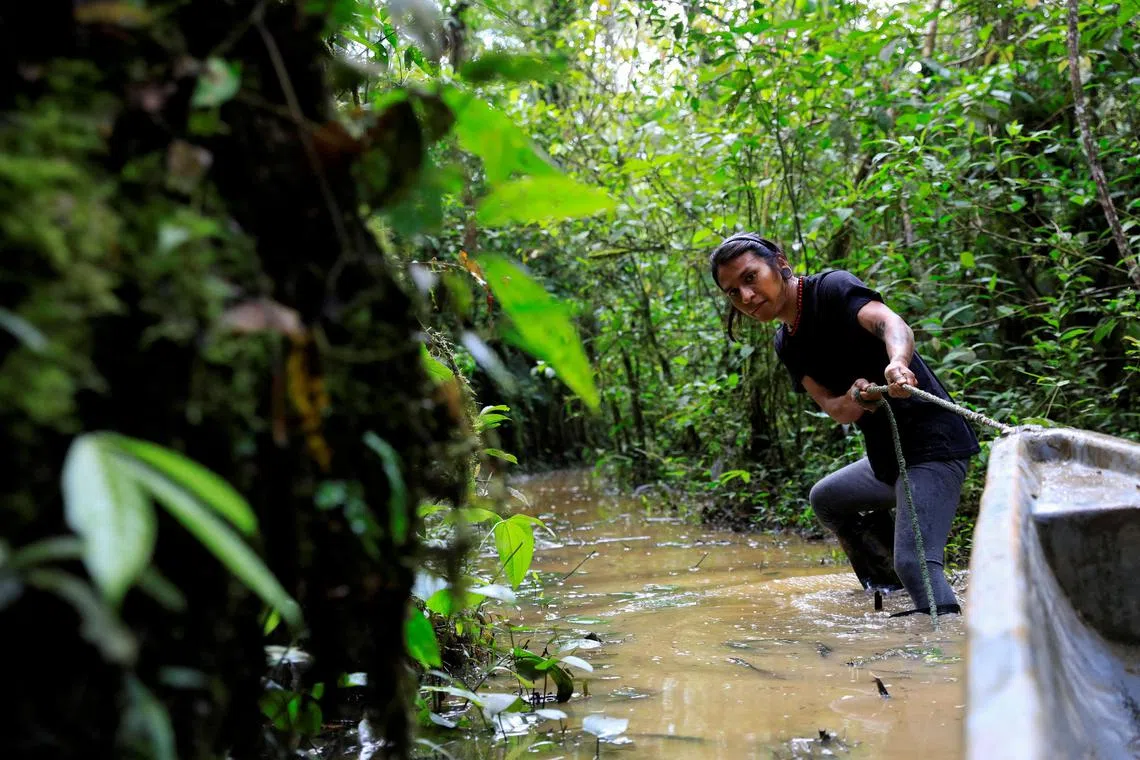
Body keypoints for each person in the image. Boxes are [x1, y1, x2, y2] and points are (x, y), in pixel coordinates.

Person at [708, 232, 980, 616]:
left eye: (750, 278)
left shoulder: (831, 289)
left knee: (915, 561)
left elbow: (890, 323)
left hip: (935, 446)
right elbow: (836, 409)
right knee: (827, 500)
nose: (746, 297)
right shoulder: (786, 343)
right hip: (888, 462)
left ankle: (940, 639)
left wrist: (897, 363)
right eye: (733, 292)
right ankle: (896, 593)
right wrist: (857, 398)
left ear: (779, 263)